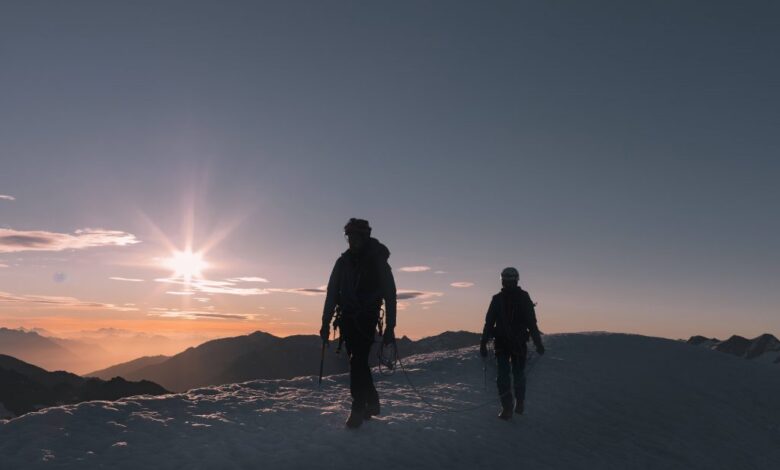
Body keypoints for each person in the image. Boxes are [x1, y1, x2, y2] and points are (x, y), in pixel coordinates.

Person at [320, 218, 397, 429]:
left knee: (357, 360)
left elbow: (390, 295)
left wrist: (391, 328)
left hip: (365, 318)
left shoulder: (377, 262)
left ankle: (358, 407)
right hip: (348, 318)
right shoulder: (343, 262)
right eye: (350, 237)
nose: (352, 241)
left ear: (364, 236)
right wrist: (325, 322)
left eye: (355, 236)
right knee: (358, 361)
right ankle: (371, 401)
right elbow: (332, 293)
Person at [480, 267, 544, 420]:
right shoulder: (506, 298)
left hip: (511, 343)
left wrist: (483, 343)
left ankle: (514, 404)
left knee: (511, 375)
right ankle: (511, 406)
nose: (507, 282)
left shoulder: (508, 298)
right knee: (511, 375)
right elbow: (531, 323)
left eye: (508, 280)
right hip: (510, 343)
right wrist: (537, 343)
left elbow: (489, 323)